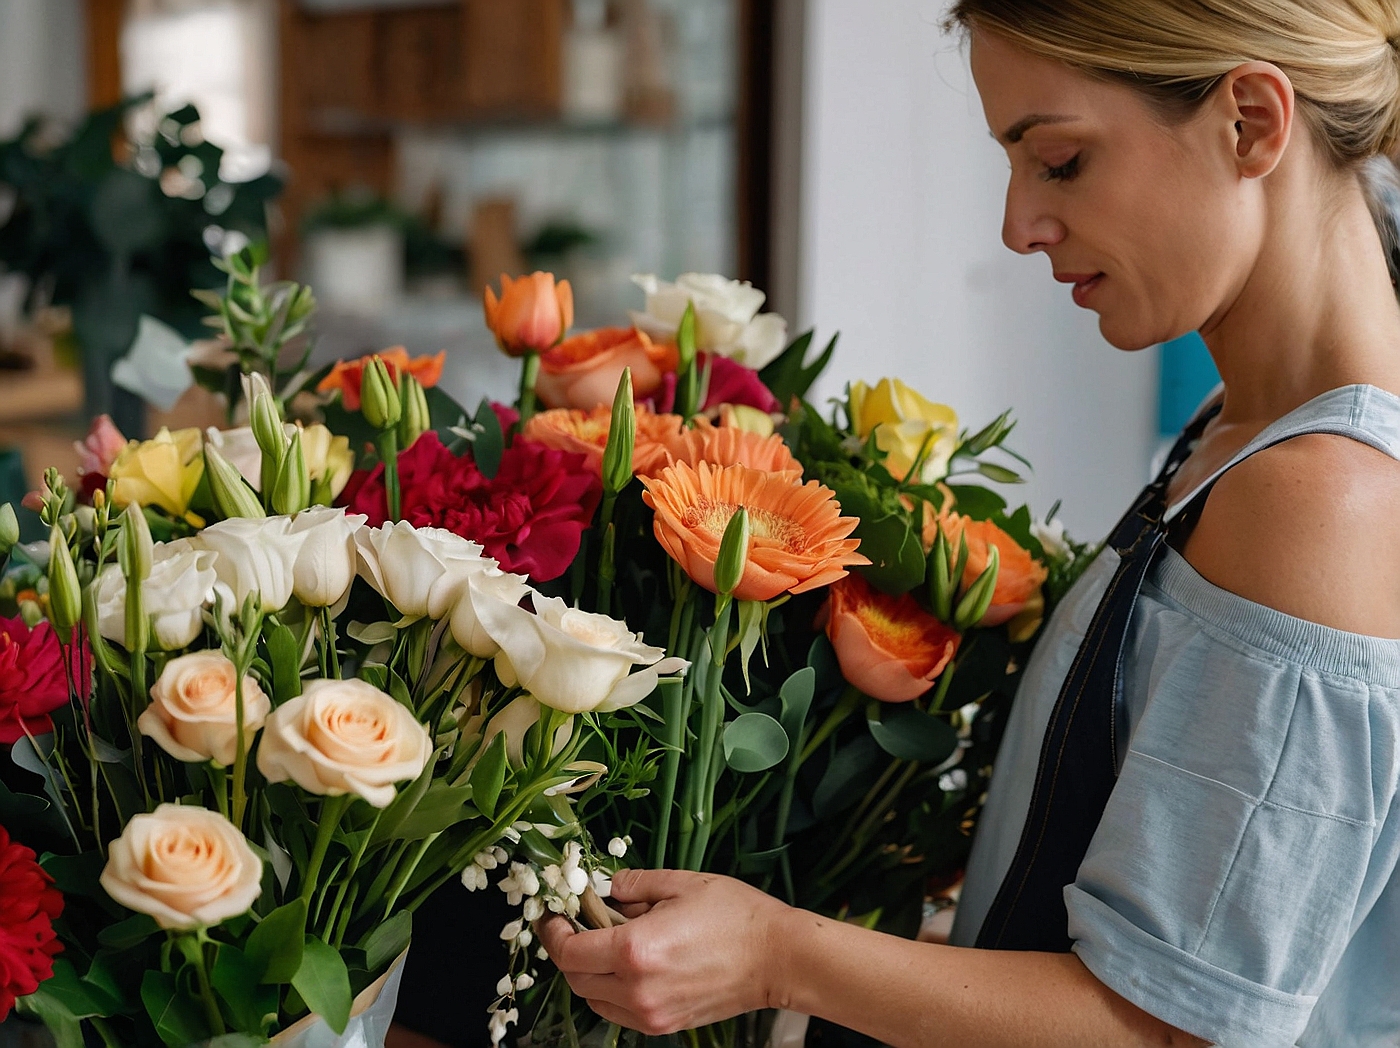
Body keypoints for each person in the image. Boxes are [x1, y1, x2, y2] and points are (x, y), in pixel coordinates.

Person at [539, 2, 1400, 1045]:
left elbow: (1168, 1028)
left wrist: (775, 954)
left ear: (1251, 124)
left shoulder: (1320, 497)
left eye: (1060, 161)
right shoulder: (1238, 432)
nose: (1017, 226)